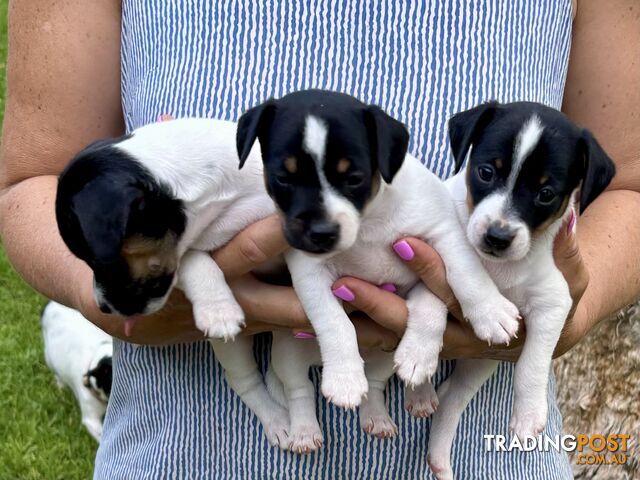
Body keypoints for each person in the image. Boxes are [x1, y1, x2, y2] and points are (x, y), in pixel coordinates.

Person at [1, 0, 638, 478]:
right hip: (184, 446)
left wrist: (562, 305)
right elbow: (32, 176)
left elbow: (630, 184)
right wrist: (125, 293)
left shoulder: (420, 194)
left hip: (485, 449)